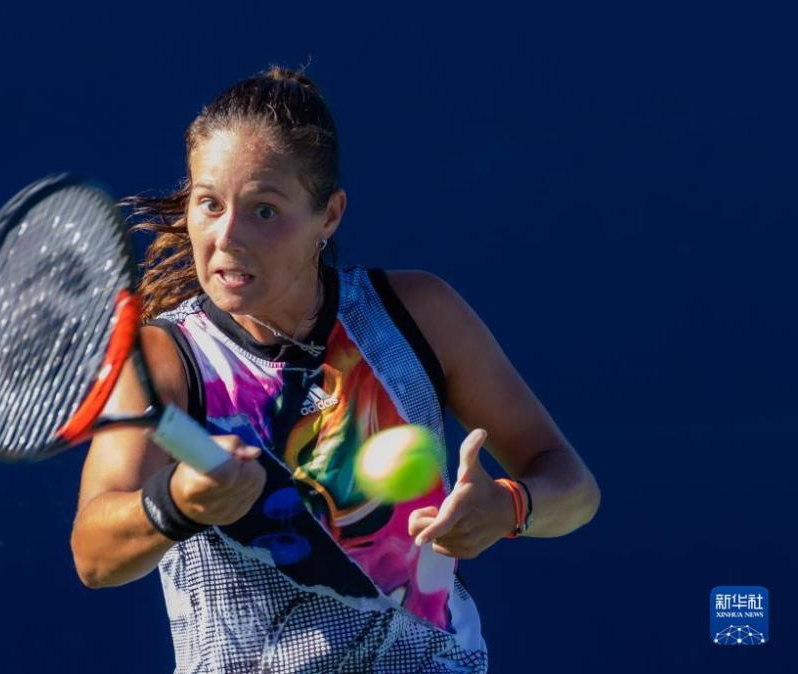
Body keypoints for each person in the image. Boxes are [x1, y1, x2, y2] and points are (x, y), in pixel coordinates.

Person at [69, 66, 601, 673]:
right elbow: (93, 556)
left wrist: (509, 506)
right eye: (208, 204)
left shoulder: (417, 314)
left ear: (329, 216)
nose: (228, 237)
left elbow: (573, 488)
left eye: (264, 211)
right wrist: (176, 500)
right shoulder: (163, 359)